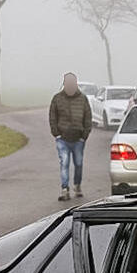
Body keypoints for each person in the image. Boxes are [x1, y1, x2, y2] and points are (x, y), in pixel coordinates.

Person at [47, 72, 92, 201]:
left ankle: (77, 185)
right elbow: (52, 116)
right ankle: (64, 189)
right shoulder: (57, 98)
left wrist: (84, 135)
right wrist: (56, 133)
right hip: (63, 139)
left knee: (78, 163)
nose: (71, 86)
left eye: (73, 83)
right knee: (64, 163)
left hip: (79, 139)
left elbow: (88, 117)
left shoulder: (83, 99)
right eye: (68, 84)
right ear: (64, 84)